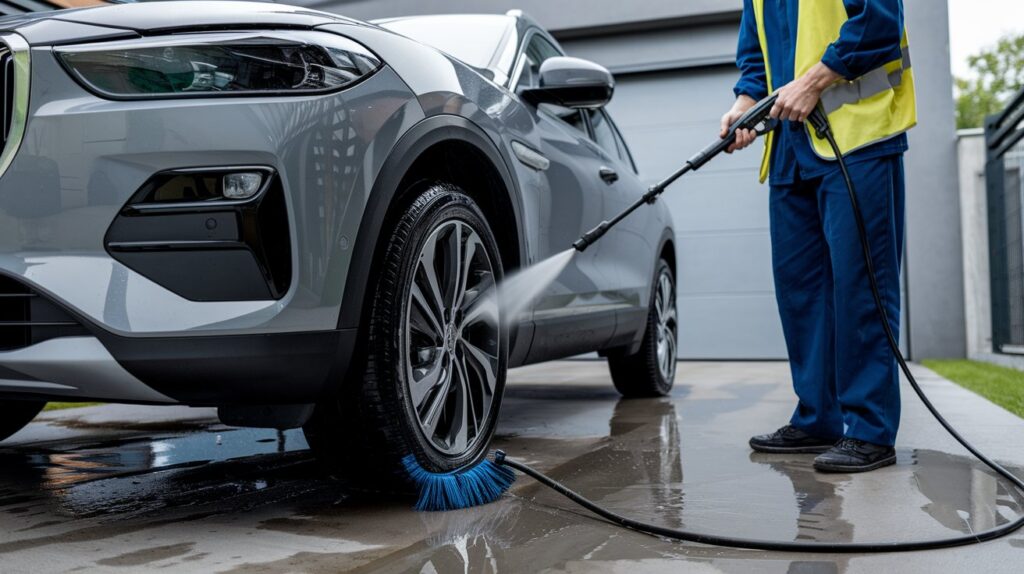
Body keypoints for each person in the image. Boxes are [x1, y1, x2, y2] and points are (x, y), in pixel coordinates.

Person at [723, 0, 916, 473]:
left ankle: (869, 430)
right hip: (791, 149)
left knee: (862, 289)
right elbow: (756, 53)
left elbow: (879, 23)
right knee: (802, 293)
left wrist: (814, 80)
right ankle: (818, 417)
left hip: (857, 141)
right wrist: (746, 101)